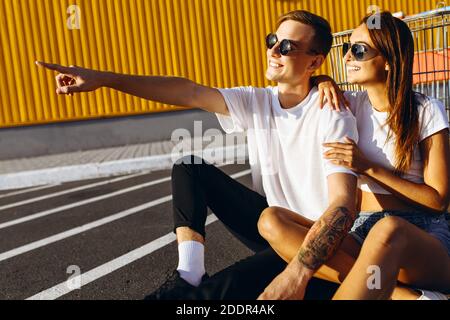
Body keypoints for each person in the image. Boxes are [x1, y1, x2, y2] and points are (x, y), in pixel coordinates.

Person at [36, 10, 360, 300]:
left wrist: (299, 271)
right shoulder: (257, 101)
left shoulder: (331, 112)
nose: (274, 51)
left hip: (314, 245)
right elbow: (187, 91)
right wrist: (104, 79)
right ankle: (189, 275)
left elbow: (342, 207)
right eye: (272, 40)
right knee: (188, 167)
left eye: (287, 47)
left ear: (315, 61)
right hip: (269, 224)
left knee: (216, 295)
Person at [257, 11, 450, 300]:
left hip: (421, 236)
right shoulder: (347, 104)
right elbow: (304, 83)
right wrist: (322, 79)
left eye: (358, 51)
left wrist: (368, 167)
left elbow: (438, 201)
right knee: (272, 219)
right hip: (363, 231)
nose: (347, 58)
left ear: (388, 60)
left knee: (388, 229)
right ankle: (404, 297)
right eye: (347, 49)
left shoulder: (424, 109)